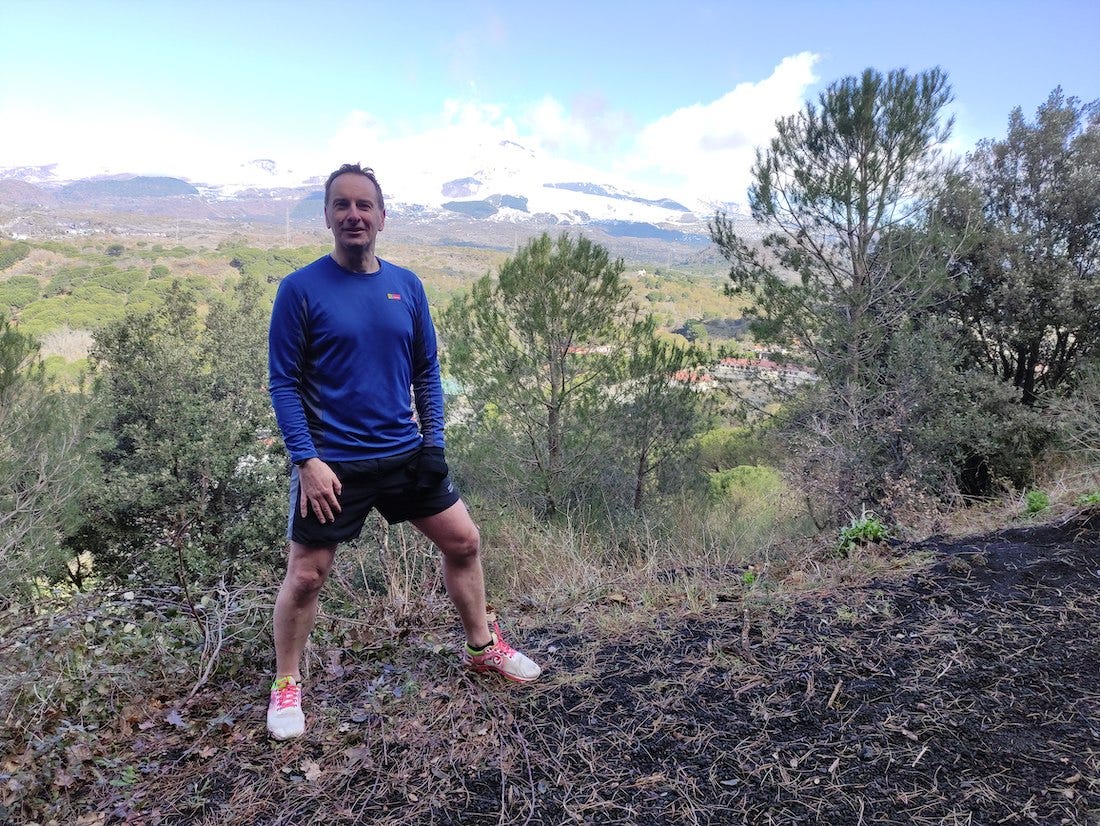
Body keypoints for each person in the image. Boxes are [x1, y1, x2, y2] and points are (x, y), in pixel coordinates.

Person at [265, 163, 541, 740]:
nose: (353, 215)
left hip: (405, 453)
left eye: (364, 205)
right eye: (341, 205)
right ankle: (286, 682)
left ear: (383, 217)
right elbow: (283, 383)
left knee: (464, 541)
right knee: (308, 575)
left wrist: (434, 444)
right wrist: (306, 460)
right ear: (327, 216)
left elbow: (427, 372)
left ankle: (481, 647)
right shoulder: (300, 289)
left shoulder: (407, 286)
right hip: (332, 465)